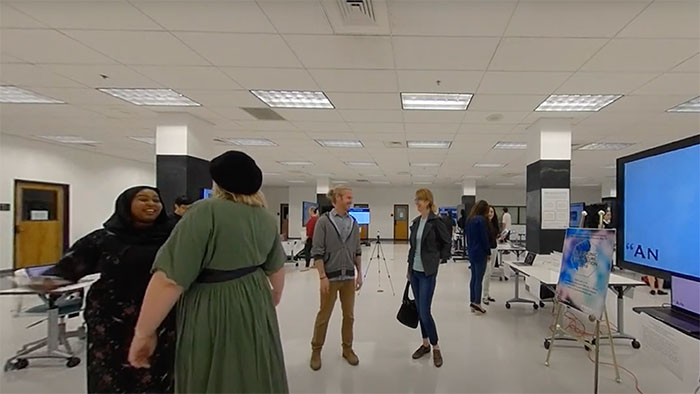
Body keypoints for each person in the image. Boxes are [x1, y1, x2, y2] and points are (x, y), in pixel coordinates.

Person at [128, 151, 288, 393]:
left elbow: (170, 280)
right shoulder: (265, 217)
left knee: (215, 369)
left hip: (214, 303)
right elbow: (276, 270)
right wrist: (270, 297)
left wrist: (144, 332)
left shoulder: (205, 212)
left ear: (218, 182)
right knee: (253, 366)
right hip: (256, 300)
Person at [44, 186, 175, 393]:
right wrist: (46, 282)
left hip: (159, 317)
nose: (151, 204)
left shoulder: (173, 237)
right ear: (125, 204)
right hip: (111, 321)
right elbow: (66, 269)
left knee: (156, 373)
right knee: (111, 376)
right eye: (143, 199)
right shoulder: (104, 238)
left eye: (156, 200)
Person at [309, 186, 363, 371]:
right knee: (324, 315)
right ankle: (316, 350)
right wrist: (322, 276)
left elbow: (357, 250)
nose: (351, 200)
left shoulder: (353, 223)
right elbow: (317, 252)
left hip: (348, 277)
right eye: (348, 197)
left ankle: (347, 349)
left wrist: (359, 274)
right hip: (329, 278)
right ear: (338, 198)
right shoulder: (323, 222)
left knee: (349, 316)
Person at [407, 189, 452, 368]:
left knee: (425, 311)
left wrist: (441, 258)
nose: (417, 203)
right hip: (415, 272)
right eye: (416, 199)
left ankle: (436, 346)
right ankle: (425, 344)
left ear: (428, 202)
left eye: (420, 200)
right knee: (419, 310)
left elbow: (446, 242)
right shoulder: (416, 222)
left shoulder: (436, 222)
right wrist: (408, 268)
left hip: (427, 272)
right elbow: (413, 248)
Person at [466, 200, 491, 314]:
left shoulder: (470, 219)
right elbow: (484, 238)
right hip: (481, 252)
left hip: (471, 251)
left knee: (474, 278)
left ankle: (472, 301)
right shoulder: (481, 220)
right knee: (479, 280)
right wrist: (488, 251)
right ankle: (477, 302)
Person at [483, 206, 500, 305]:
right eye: (488, 212)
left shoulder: (494, 224)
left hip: (494, 249)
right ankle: (484, 295)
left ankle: (487, 294)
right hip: (488, 251)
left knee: (490, 273)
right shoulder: (484, 224)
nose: (490, 213)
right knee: (487, 273)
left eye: (492, 212)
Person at [302, 207, 319, 271]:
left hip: (311, 237)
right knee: (315, 251)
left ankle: (307, 264)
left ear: (312, 211)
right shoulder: (317, 219)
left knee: (307, 251)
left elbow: (311, 229)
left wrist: (307, 237)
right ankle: (315, 263)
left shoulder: (312, 220)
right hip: (316, 238)